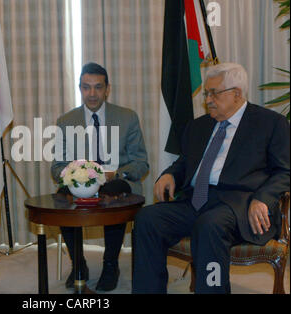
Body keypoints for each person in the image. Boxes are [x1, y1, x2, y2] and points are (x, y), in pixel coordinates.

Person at [132, 62, 290, 294]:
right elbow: (185, 162)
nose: (207, 100)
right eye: (207, 93)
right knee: (147, 218)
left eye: (213, 93)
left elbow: (285, 170)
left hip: (237, 205)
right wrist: (169, 174)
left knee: (209, 226)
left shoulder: (269, 123)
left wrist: (263, 198)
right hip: (195, 200)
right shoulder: (198, 126)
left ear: (237, 94)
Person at [51, 62, 149, 291]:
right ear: (80, 88)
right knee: (61, 198)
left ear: (107, 89)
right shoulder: (66, 121)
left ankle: (110, 264)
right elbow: (57, 166)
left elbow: (141, 163)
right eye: (86, 87)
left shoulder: (127, 117)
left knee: (111, 194)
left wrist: (117, 172)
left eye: (98, 87)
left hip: (116, 181)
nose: (92, 93)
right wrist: (75, 173)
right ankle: (79, 264)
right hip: (80, 182)